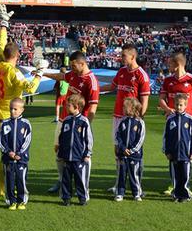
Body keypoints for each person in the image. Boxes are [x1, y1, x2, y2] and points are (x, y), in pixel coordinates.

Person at [0, 4, 42, 199]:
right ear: (17, 55)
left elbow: (0, 43)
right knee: (11, 152)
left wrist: (4, 24)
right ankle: (7, 188)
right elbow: (29, 89)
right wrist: (39, 74)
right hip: (10, 114)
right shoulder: (15, 72)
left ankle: (2, 189)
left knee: (5, 152)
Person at [44, 51, 100, 193]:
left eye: (74, 65)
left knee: (82, 155)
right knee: (59, 152)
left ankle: (82, 186)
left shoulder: (91, 81)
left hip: (79, 125)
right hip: (64, 120)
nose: (72, 68)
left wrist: (86, 126)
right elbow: (62, 76)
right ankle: (62, 181)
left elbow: (93, 106)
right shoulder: (74, 74)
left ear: (82, 63)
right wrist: (44, 74)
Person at [100, 45, 151, 194]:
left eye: (123, 56)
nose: (121, 58)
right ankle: (118, 184)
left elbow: (145, 100)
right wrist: (95, 89)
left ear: (132, 57)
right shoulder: (121, 71)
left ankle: (137, 186)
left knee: (135, 152)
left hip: (133, 119)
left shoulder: (141, 75)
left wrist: (139, 118)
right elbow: (111, 87)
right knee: (119, 150)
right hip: (118, 116)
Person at [158, 51, 192, 196]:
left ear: (177, 65)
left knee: (187, 154)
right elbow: (162, 99)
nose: (168, 65)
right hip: (172, 121)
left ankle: (186, 185)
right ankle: (173, 184)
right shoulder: (167, 80)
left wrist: (189, 116)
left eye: (170, 63)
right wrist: (168, 110)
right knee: (172, 153)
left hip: (186, 123)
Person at [57, 94, 93, 206]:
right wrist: (60, 152)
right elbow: (62, 137)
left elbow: (89, 138)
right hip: (67, 156)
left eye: (68, 106)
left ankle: (82, 198)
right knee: (66, 179)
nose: (66, 108)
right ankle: (66, 198)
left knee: (80, 179)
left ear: (77, 106)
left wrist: (87, 153)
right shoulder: (66, 120)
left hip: (79, 157)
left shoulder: (84, 121)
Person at [162, 94, 192, 202]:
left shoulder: (190, 119)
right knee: (175, 176)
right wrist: (166, 151)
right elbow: (166, 136)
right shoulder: (170, 119)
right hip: (173, 154)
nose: (178, 107)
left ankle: (185, 194)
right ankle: (176, 194)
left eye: (181, 105)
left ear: (185, 106)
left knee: (185, 176)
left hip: (186, 154)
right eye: (177, 104)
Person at [0, 98, 32, 210]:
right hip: (8, 159)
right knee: (10, 181)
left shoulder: (26, 124)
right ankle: (11, 201)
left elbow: (27, 140)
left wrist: (20, 153)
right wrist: (8, 152)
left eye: (15, 109)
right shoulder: (5, 123)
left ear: (22, 110)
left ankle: (22, 201)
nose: (13, 111)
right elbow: (1, 141)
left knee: (21, 181)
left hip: (21, 159)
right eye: (11, 109)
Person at [114, 97, 146, 202]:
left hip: (134, 155)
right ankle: (120, 193)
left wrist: (132, 150)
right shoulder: (122, 121)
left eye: (124, 106)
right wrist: (123, 148)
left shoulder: (140, 122)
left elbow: (140, 139)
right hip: (122, 154)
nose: (122, 108)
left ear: (132, 108)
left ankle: (136, 193)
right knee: (121, 174)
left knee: (134, 174)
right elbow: (117, 136)